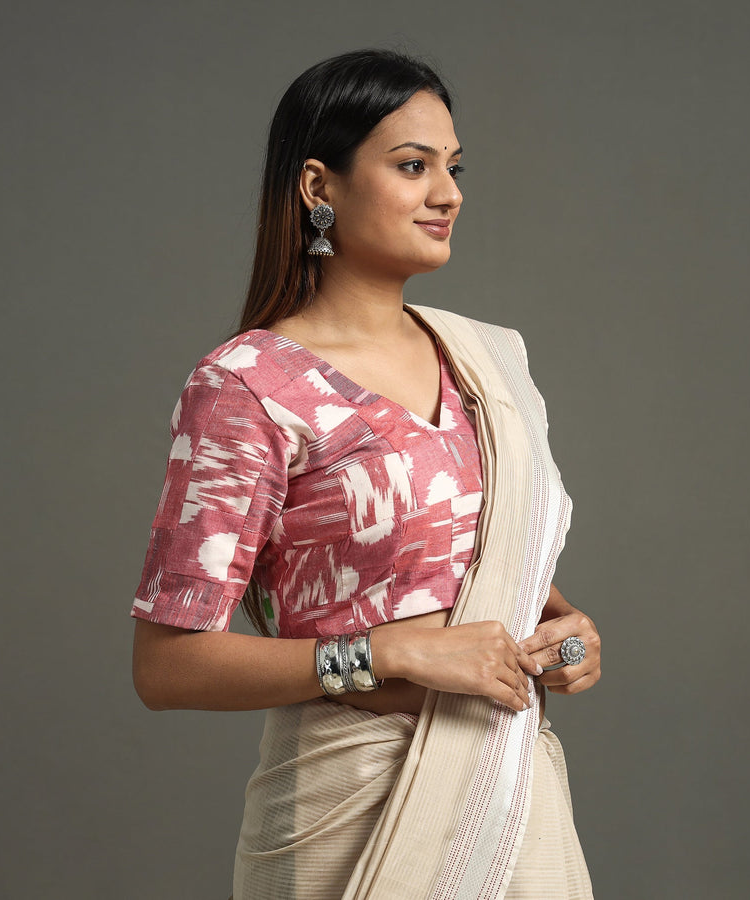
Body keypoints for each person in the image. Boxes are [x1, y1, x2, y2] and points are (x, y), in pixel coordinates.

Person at [131, 48, 601, 899]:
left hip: (509, 797)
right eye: (413, 166)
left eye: (454, 168)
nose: (448, 193)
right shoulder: (249, 384)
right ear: (319, 186)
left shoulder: (482, 363)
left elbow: (496, 580)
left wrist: (566, 635)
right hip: (347, 808)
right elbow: (167, 668)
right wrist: (389, 653)